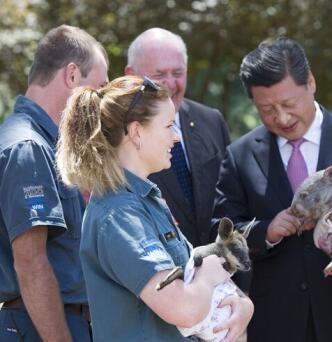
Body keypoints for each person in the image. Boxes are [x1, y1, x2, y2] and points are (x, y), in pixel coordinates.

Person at [212, 37, 332, 342]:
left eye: (288, 104)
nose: (281, 118)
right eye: (266, 109)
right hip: (276, 321)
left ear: (310, 82)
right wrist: (266, 232)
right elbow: (219, 231)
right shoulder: (239, 155)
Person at [56, 75, 253, 341]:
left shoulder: (145, 201)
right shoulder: (120, 216)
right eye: (169, 126)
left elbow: (191, 279)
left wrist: (243, 306)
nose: (175, 138)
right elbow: (183, 308)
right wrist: (207, 276)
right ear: (136, 132)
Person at [0, 25, 108, 341]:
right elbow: (31, 264)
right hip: (41, 326)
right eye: (98, 88)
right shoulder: (28, 147)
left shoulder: (47, 145)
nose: (100, 103)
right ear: (72, 75)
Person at [125, 28, 230, 247]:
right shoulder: (119, 137)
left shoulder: (211, 121)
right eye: (159, 75)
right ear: (131, 75)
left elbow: (231, 200)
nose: (171, 84)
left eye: (178, 73)